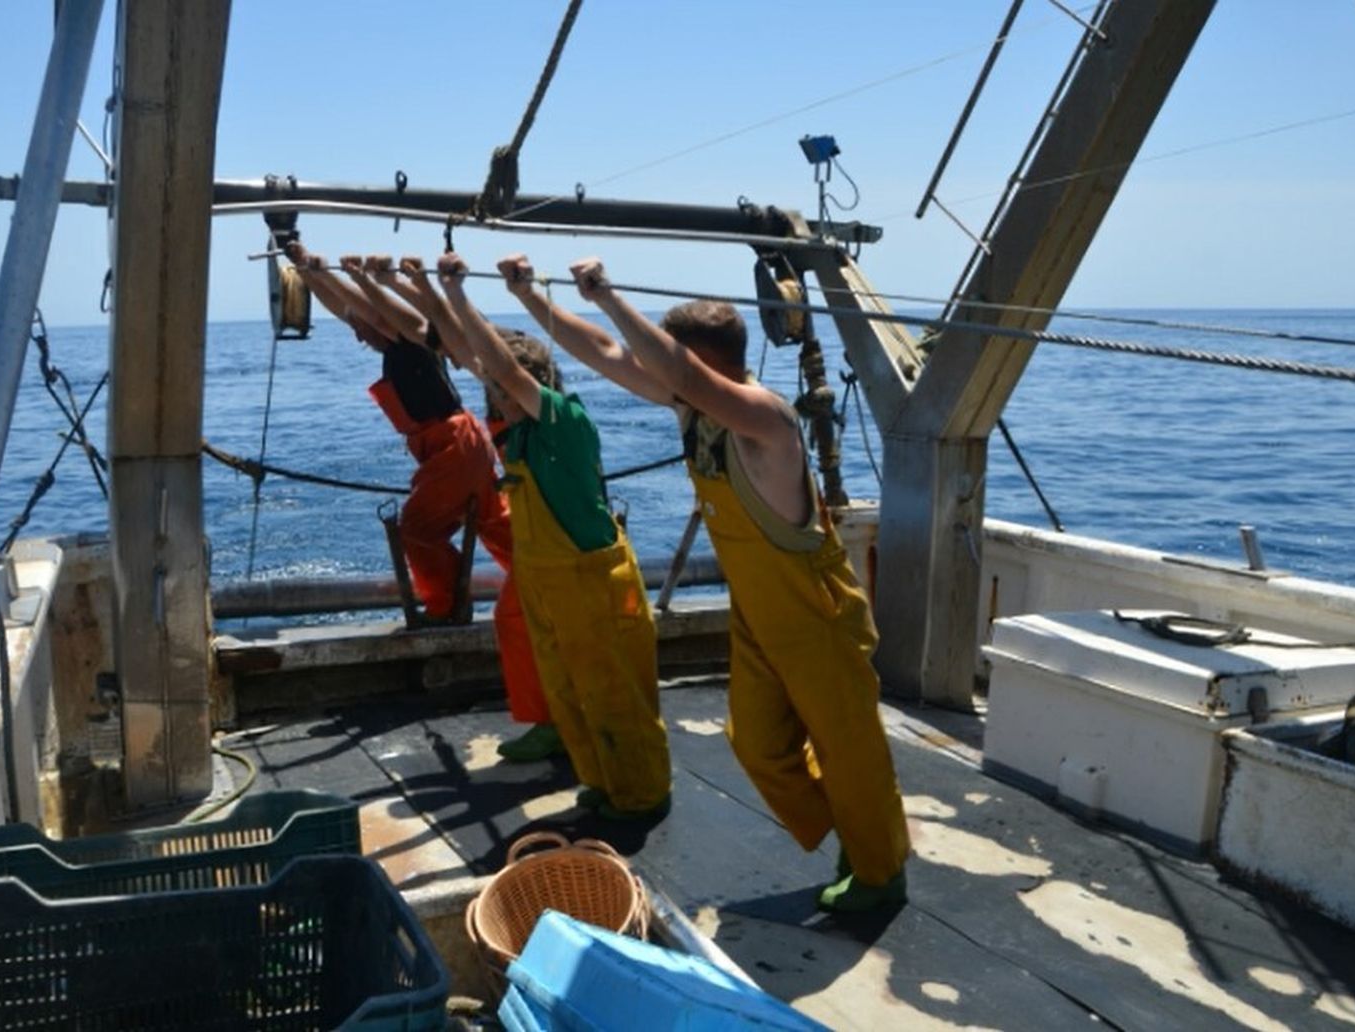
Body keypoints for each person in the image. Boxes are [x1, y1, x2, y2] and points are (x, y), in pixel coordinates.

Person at [503, 251, 909, 911]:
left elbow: (670, 365)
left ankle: (880, 873)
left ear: (706, 362)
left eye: (670, 360)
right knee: (756, 745)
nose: (654, 373)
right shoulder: (693, 409)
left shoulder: (766, 419)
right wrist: (531, 299)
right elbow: (608, 351)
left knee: (851, 750)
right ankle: (855, 831)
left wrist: (609, 294)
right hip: (756, 613)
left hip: (814, 613)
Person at [407, 251, 671, 820]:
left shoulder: (563, 421)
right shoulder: (518, 433)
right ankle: (601, 781)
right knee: (572, 694)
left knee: (615, 697)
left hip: (594, 582)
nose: (494, 401)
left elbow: (500, 368)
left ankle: (644, 795)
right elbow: (474, 359)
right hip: (553, 584)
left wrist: (457, 295)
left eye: (502, 393)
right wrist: (432, 292)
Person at [285, 242, 560, 763]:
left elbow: (367, 308)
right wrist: (310, 269)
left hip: (452, 443)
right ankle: (540, 576)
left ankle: (447, 605)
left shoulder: (406, 337)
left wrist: (361, 279)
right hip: (462, 440)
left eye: (363, 325)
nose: (357, 333)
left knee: (418, 528)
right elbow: (344, 306)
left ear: (379, 321)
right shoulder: (391, 342)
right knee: (497, 524)